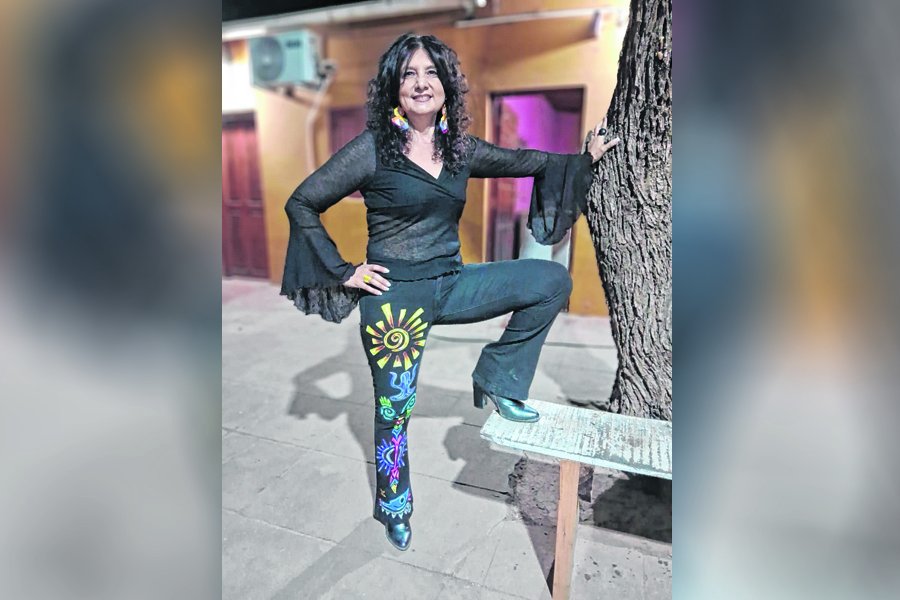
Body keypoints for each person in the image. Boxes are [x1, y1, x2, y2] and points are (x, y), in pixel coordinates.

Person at [281, 33, 619, 551]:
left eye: (431, 73)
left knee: (550, 281)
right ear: (394, 87)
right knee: (394, 412)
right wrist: (344, 272)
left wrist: (583, 158)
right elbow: (302, 202)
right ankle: (395, 507)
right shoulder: (373, 148)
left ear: (446, 85)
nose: (421, 83)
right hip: (395, 301)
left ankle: (498, 379)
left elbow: (526, 161)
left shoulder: (460, 150)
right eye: (409, 74)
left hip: (452, 283)